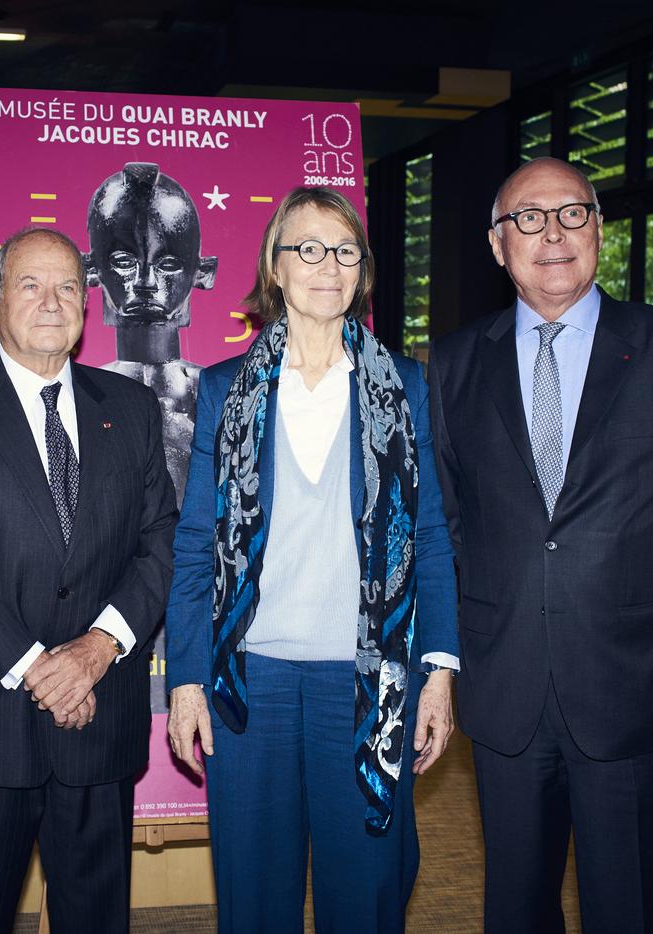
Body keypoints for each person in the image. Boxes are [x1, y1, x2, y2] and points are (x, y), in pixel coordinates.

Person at [426, 157, 653, 933]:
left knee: (630, 904)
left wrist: (629, 591)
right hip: (508, 683)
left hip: (630, 678)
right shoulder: (456, 362)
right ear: (498, 245)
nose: (552, 233)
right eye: (528, 218)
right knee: (517, 906)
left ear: (599, 230)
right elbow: (449, 515)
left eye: (572, 214)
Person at [165, 187, 460, 934]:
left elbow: (428, 537)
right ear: (276, 264)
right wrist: (188, 679)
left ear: (362, 271)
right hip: (250, 684)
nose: (327, 265)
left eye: (345, 250)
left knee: (364, 893)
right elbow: (197, 544)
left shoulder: (406, 387)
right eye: (307, 248)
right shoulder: (226, 391)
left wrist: (439, 672)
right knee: (254, 896)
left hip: (367, 682)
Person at [0, 227, 177, 934]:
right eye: (30, 285)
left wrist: (99, 648)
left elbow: (159, 540)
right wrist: (35, 667)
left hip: (100, 719)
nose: (51, 301)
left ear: (87, 303)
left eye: (68, 285)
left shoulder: (130, 409)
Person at [84, 161, 218, 505]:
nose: (146, 282)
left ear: (202, 273)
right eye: (125, 261)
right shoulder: (76, 397)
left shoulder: (221, 395)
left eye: (168, 264)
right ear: (92, 269)